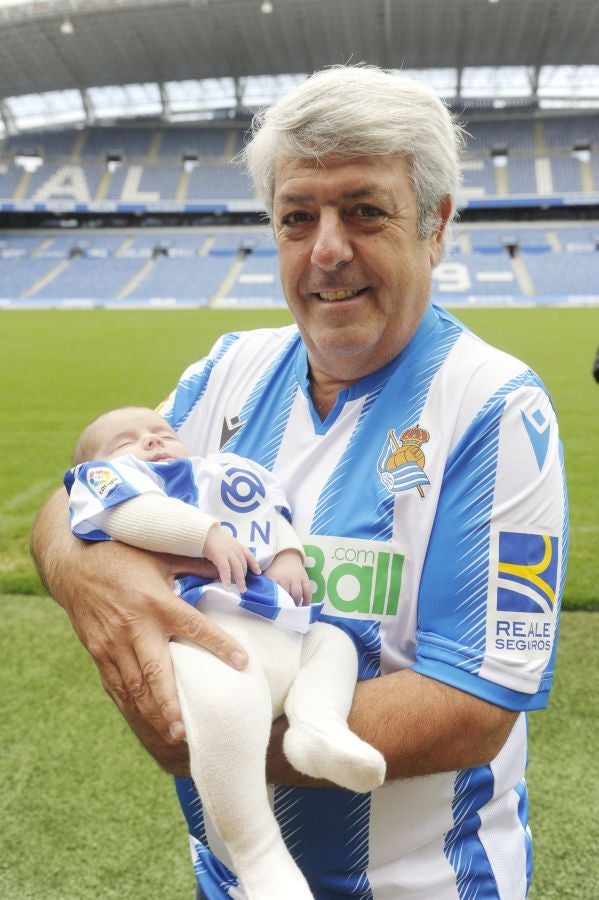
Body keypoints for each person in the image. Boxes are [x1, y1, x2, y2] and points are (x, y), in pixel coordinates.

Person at [31, 65, 568, 899]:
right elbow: (82, 493)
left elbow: (474, 705)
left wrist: (217, 735)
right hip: (228, 882)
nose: (325, 248)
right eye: (296, 217)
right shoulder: (223, 374)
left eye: (363, 210)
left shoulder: (495, 407)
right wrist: (79, 571)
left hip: (426, 886)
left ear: (435, 225)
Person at [65, 405, 385, 899]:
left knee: (333, 645)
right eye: (126, 441)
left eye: (160, 431)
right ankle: (258, 854)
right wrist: (205, 536)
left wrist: (287, 556)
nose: (151, 441)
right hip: (206, 630)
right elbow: (133, 515)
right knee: (223, 709)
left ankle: (319, 727)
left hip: (280, 624)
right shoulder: (105, 482)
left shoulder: (220, 473)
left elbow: (267, 515)